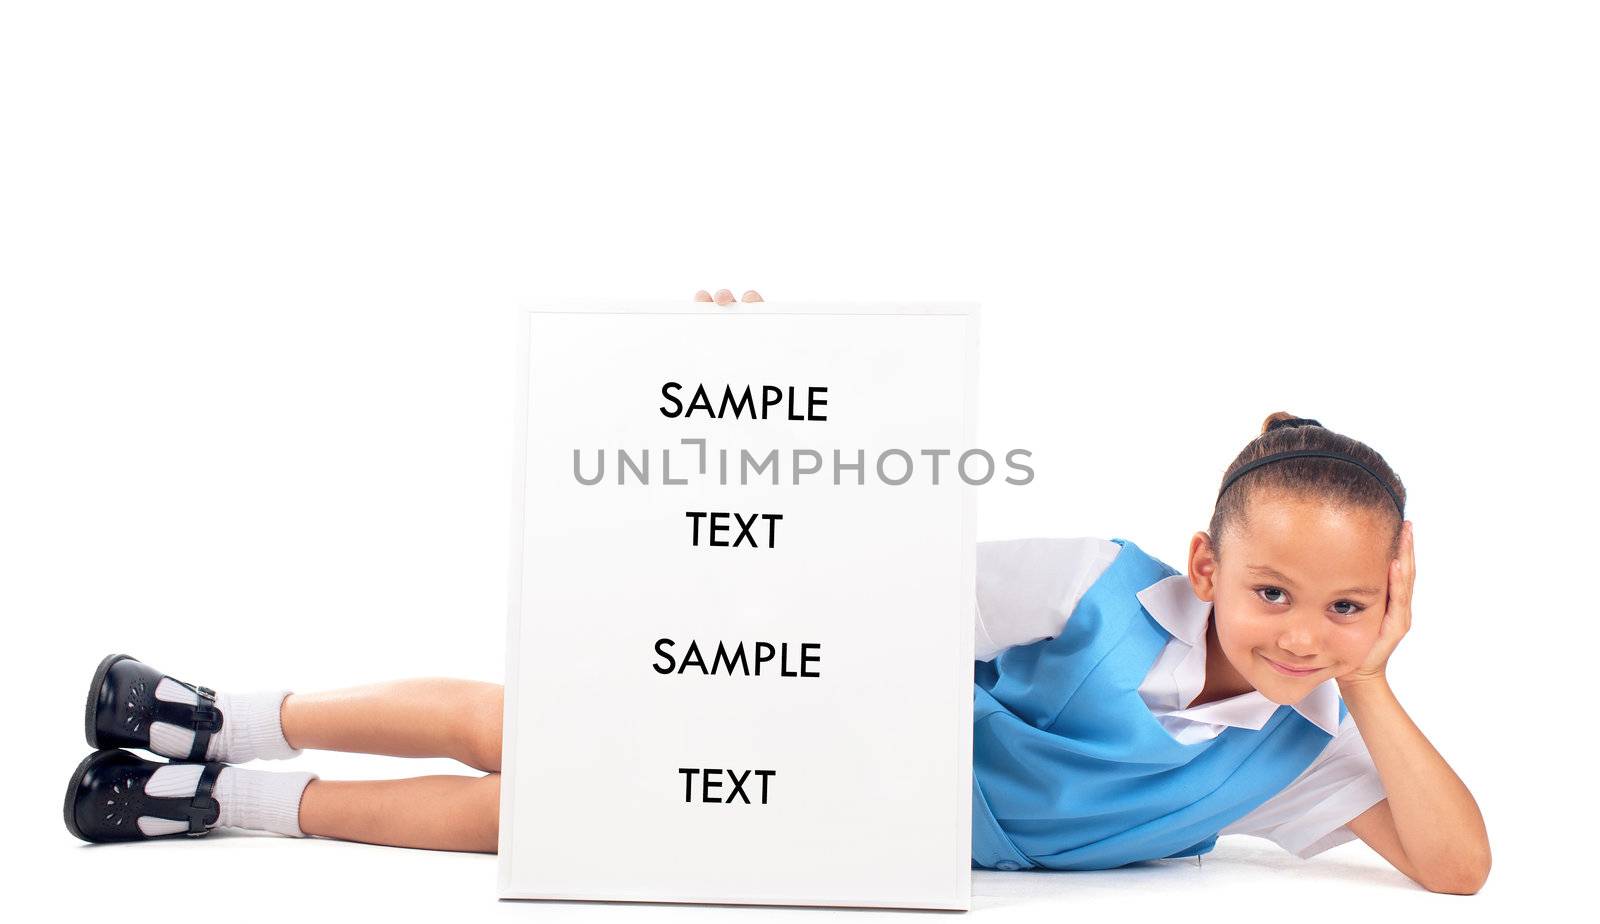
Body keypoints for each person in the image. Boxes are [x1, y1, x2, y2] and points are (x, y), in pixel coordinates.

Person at [62, 288, 1489, 894]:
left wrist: (1373, 683)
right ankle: (225, 715)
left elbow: (1456, 867)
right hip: (848, 736)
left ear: (1391, 602)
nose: (1305, 631)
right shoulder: (1092, 588)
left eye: (1348, 607)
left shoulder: (1303, 750)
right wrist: (765, 420)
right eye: (1276, 592)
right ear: (1206, 566)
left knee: (545, 812)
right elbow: (858, 579)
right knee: (533, 721)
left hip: (868, 845)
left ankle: (225, 803)